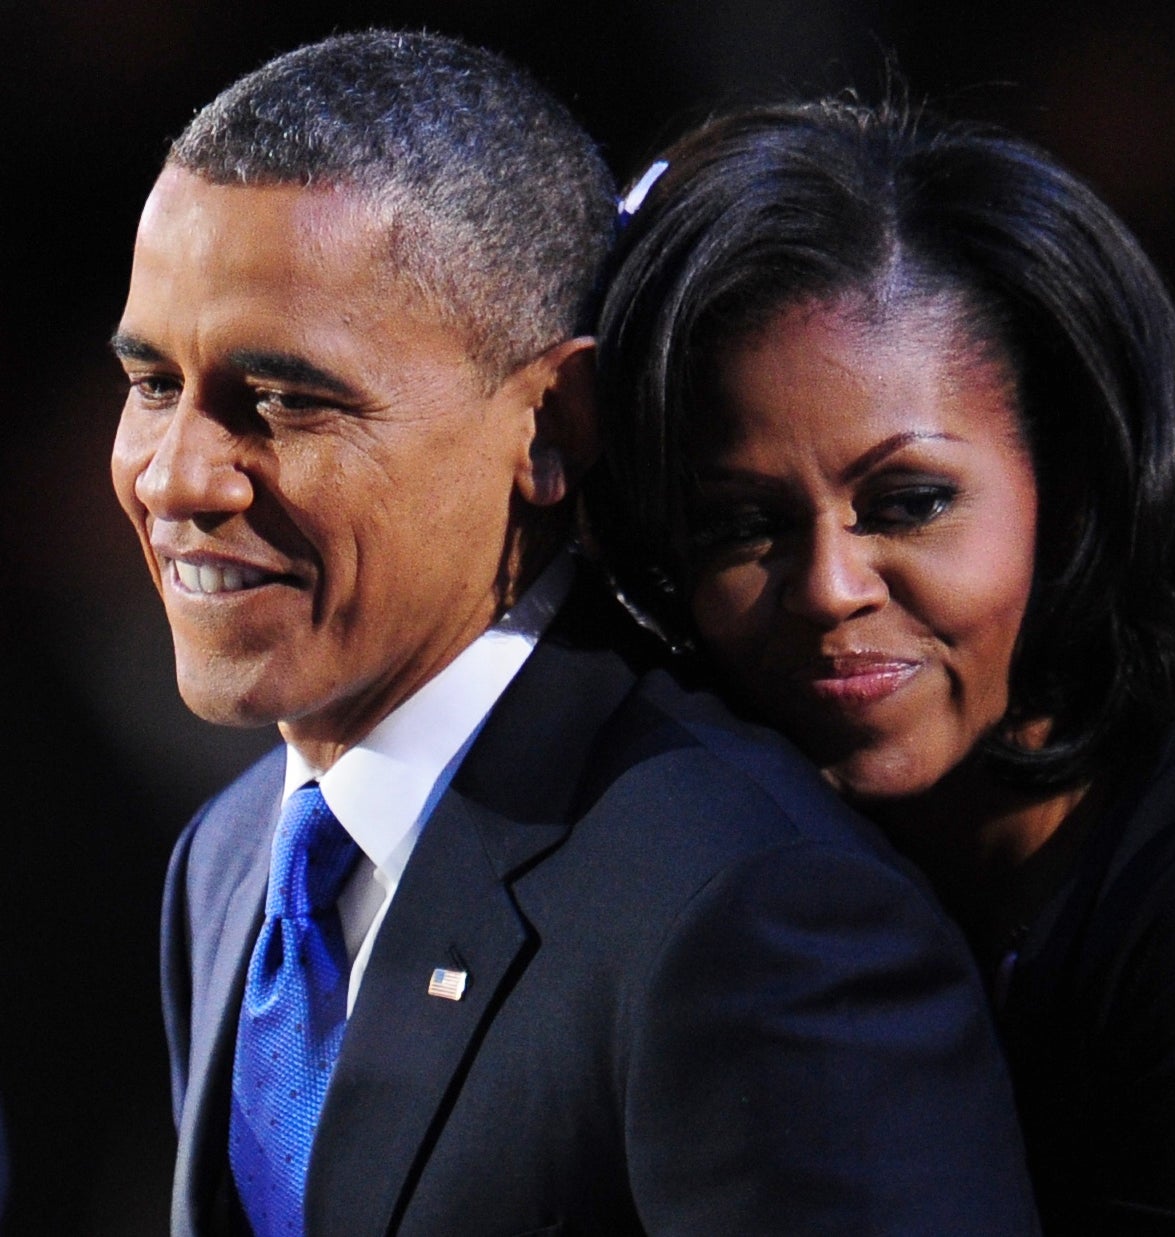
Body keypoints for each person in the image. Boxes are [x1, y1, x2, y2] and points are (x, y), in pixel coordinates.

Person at [110, 35, 1040, 1237]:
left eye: (284, 399)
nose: (177, 476)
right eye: (149, 384)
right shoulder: (233, 857)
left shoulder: (755, 909)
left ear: (550, 426)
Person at [589, 98, 1175, 1234]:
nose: (829, 586)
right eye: (743, 524)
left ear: (1068, 491)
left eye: (910, 502)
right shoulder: (739, 852)